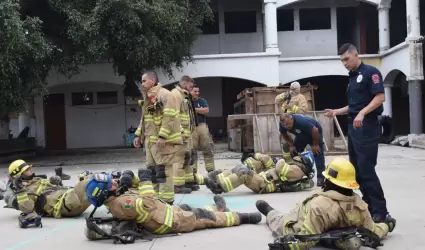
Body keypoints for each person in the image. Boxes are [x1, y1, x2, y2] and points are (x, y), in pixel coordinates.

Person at [257, 158, 396, 250]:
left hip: (295, 223)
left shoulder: (320, 206)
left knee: (276, 218)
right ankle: (339, 239)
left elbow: (307, 238)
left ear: (330, 181)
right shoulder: (359, 205)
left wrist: (286, 246)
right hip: (328, 228)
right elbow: (373, 230)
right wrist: (388, 225)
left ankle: (268, 211)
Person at [324, 43, 390, 223]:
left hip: (367, 126)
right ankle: (369, 205)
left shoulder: (371, 72)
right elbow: (354, 107)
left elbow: (380, 97)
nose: (344, 63)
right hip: (355, 127)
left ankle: (381, 211)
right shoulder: (352, 78)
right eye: (342, 61)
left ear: (356, 55)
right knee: (357, 171)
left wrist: (361, 113)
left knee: (367, 169)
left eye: (346, 59)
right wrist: (337, 111)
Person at [84, 170, 262, 237]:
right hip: (169, 222)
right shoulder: (123, 204)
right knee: (205, 217)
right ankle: (241, 217)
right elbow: (148, 204)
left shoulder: (116, 198)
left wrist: (132, 179)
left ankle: (221, 208)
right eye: (111, 184)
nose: (115, 182)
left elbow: (134, 193)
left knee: (190, 209)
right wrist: (145, 181)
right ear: (105, 193)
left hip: (166, 212)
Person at [132, 71, 185, 205]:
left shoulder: (165, 95)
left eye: (144, 81)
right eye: (142, 81)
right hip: (150, 141)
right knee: (152, 172)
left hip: (162, 142)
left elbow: (170, 117)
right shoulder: (148, 98)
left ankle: (167, 202)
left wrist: (162, 136)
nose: (142, 84)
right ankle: (155, 201)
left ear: (153, 80)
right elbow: (144, 119)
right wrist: (138, 135)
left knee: (163, 171)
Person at [7, 159, 92, 228]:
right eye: (27, 170)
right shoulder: (24, 190)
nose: (30, 170)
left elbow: (54, 193)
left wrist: (57, 183)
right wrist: (21, 190)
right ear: (19, 175)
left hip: (69, 198)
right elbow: (28, 209)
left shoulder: (36, 181)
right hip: (67, 204)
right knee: (92, 182)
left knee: (97, 184)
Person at [206, 148, 315, 195]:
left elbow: (280, 167)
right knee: (239, 168)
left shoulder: (297, 170)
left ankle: (218, 188)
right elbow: (275, 167)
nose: (297, 156)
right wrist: (256, 156)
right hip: (266, 179)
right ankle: (218, 179)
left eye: (300, 157)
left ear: (304, 161)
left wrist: (281, 159)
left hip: (265, 185)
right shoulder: (296, 168)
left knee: (245, 174)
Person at [279, 113, 325, 186]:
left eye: (287, 124)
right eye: (284, 125)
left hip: (314, 133)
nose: (286, 126)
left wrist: (315, 144)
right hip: (301, 135)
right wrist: (291, 145)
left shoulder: (301, 121)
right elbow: (283, 134)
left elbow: (315, 130)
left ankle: (321, 178)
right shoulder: (283, 124)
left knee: (317, 152)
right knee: (294, 152)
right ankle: (297, 174)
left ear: (291, 119)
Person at [170, 75, 199, 193]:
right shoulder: (176, 95)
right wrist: (180, 131)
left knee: (188, 158)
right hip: (180, 135)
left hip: (187, 134)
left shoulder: (184, 96)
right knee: (179, 159)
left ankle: (188, 182)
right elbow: (174, 115)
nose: (192, 89)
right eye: (190, 86)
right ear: (184, 84)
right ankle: (178, 185)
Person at [191, 84, 216, 173]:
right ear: (190, 91)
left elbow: (206, 110)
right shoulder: (186, 101)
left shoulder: (202, 100)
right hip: (191, 127)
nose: (197, 93)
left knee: (208, 148)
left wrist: (193, 109)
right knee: (192, 150)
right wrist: (199, 110)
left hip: (202, 126)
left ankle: (211, 171)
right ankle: (192, 173)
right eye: (195, 91)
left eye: (198, 91)